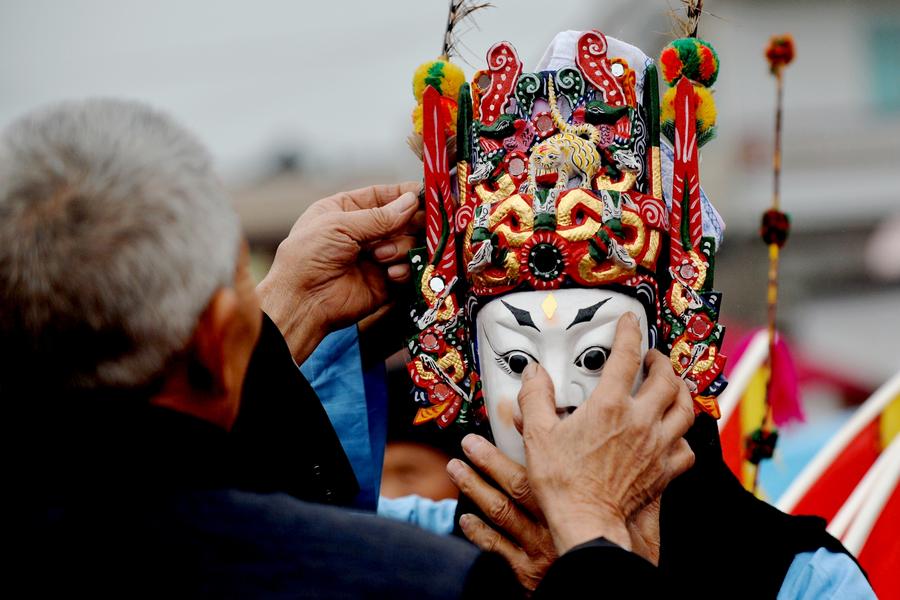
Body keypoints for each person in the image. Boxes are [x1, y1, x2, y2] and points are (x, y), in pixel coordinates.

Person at [2, 98, 695, 596]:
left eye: (600, 356)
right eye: (515, 358)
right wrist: (593, 540)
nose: (558, 398)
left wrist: (281, 314)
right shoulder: (412, 585)